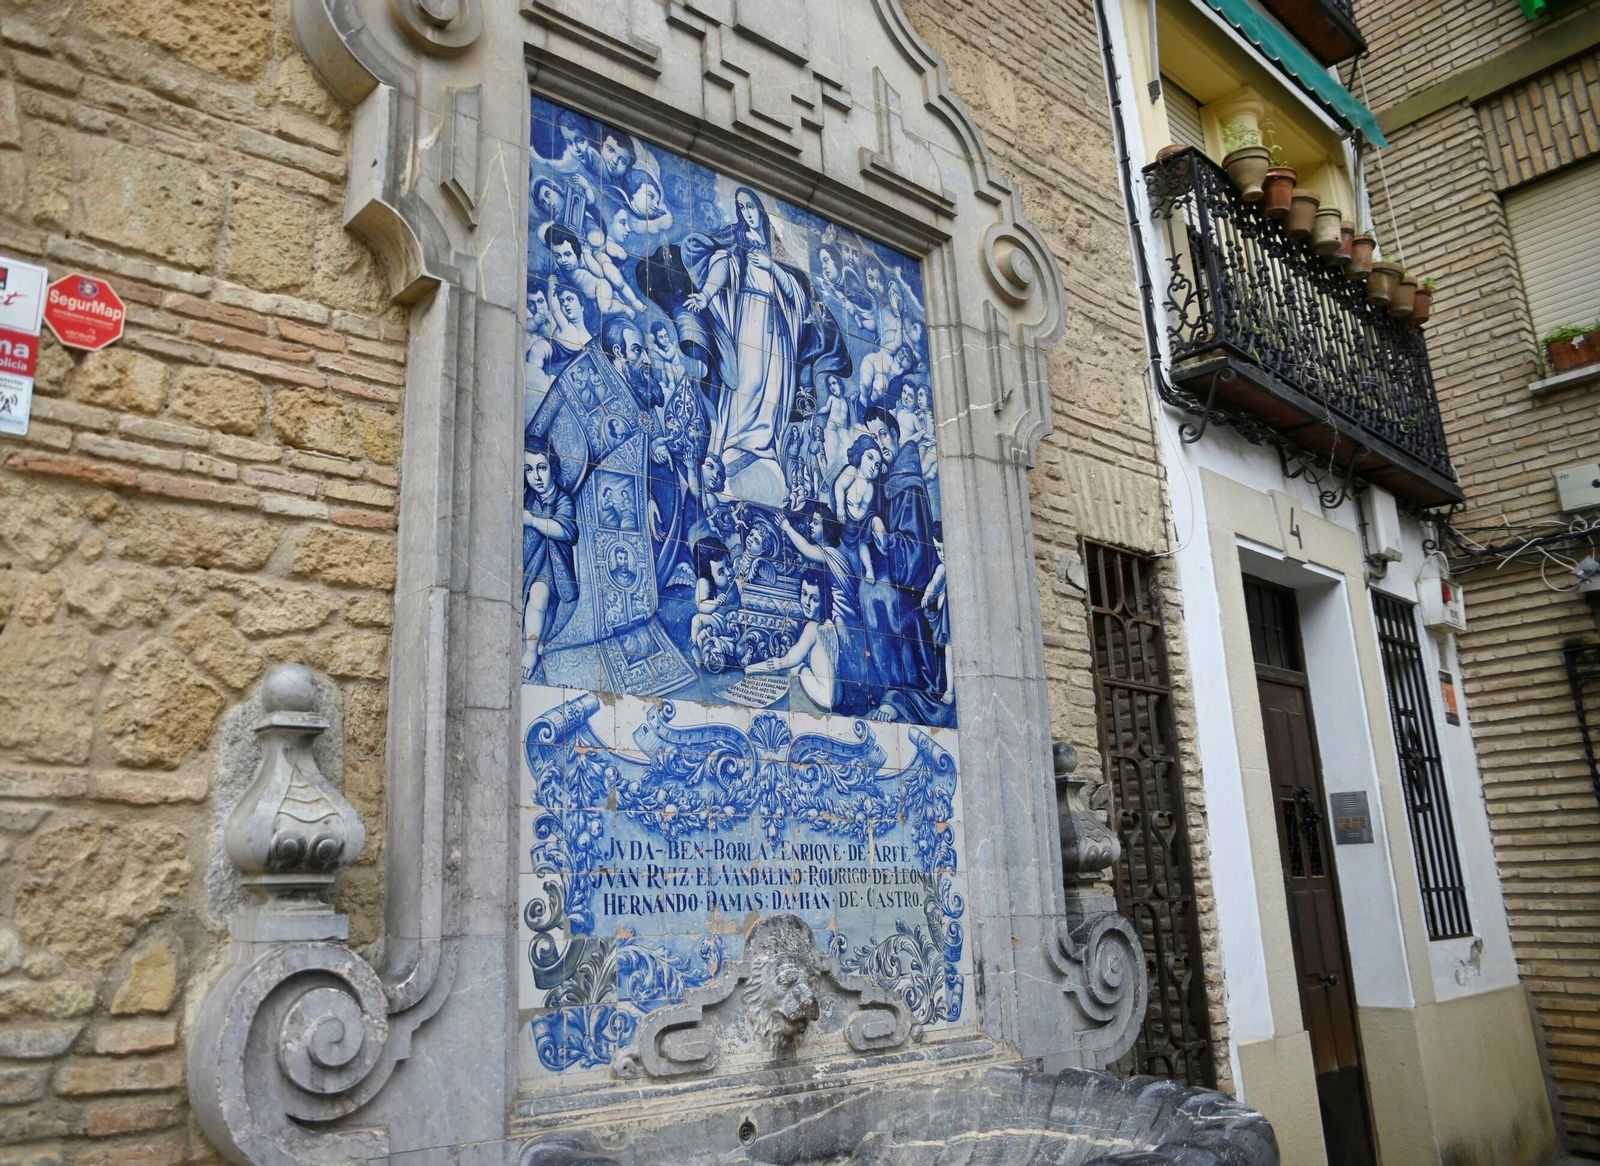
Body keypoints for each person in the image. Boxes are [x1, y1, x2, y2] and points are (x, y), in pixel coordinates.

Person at [681, 187, 813, 506]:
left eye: (751, 207)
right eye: (741, 208)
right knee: (746, 385)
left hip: (777, 330)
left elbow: (797, 296)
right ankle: (732, 447)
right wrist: (707, 295)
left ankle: (762, 449)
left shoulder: (775, 252)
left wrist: (773, 268)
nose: (747, 213)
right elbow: (722, 268)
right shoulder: (738, 247)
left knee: (772, 395)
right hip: (749, 321)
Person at [521, 437, 579, 681]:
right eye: (529, 469)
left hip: (554, 571)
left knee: (539, 594)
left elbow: (567, 531)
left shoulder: (563, 500)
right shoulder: (529, 497)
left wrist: (533, 521)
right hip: (530, 564)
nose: (536, 476)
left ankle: (530, 652)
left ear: (552, 468)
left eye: (541, 468)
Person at [744, 571, 838, 710]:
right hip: (836, 697)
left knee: (794, 667)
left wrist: (752, 668)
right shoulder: (828, 626)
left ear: (823, 602)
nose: (806, 603)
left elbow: (788, 660)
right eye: (804, 594)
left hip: (823, 697)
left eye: (814, 599)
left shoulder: (812, 628)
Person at [832, 434, 886, 586]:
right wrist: (840, 507)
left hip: (861, 521)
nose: (872, 467)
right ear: (860, 454)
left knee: (871, 527)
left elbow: (868, 506)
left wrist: (882, 467)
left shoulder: (871, 486)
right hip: (847, 519)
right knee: (858, 545)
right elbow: (839, 486)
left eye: (876, 465)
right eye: (870, 458)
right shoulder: (852, 471)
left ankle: (874, 562)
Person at [689, 536, 738, 668]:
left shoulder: (734, 580)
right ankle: (695, 647)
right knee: (696, 620)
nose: (728, 572)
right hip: (718, 619)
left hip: (733, 620)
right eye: (721, 572)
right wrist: (715, 603)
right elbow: (701, 606)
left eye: (728, 565)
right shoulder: (704, 582)